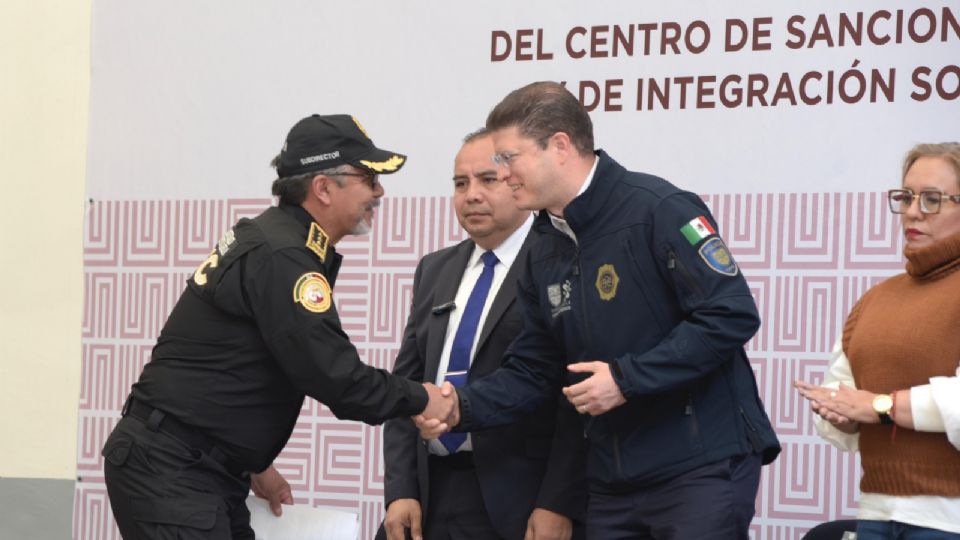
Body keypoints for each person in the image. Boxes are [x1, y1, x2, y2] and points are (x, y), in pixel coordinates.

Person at [415, 81, 781, 539]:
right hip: (609, 478)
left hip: (697, 469)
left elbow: (731, 314)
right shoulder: (543, 247)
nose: (504, 175)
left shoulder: (658, 209)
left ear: (560, 146)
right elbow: (534, 368)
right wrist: (460, 407)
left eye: (509, 159)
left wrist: (626, 379)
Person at [101, 114, 455, 540]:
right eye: (367, 178)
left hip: (196, 467)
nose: (379, 192)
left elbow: (230, 363)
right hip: (173, 471)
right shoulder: (284, 255)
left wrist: (254, 463)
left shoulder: (280, 241)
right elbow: (336, 377)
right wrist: (421, 397)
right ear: (323, 188)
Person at [379, 129, 586, 540]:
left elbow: (574, 394)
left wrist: (558, 501)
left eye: (487, 180)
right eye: (460, 183)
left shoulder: (560, 262)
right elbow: (405, 386)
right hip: (428, 494)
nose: (471, 195)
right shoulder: (434, 269)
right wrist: (400, 490)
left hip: (518, 499)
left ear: (517, 183)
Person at [795, 142, 960, 539]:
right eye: (906, 197)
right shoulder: (875, 298)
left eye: (933, 199)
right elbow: (846, 393)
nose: (913, 211)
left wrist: (879, 405)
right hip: (875, 513)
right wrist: (843, 414)